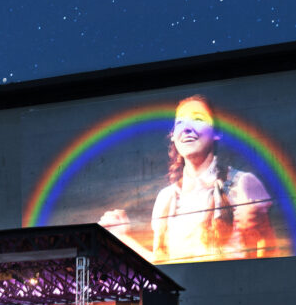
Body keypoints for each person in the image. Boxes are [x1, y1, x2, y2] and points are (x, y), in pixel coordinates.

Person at [99, 94, 277, 264]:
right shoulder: (166, 198)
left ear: (216, 133)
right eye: (180, 122)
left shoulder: (242, 183)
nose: (187, 128)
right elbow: (161, 266)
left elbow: (270, 250)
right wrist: (122, 237)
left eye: (198, 119)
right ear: (173, 136)